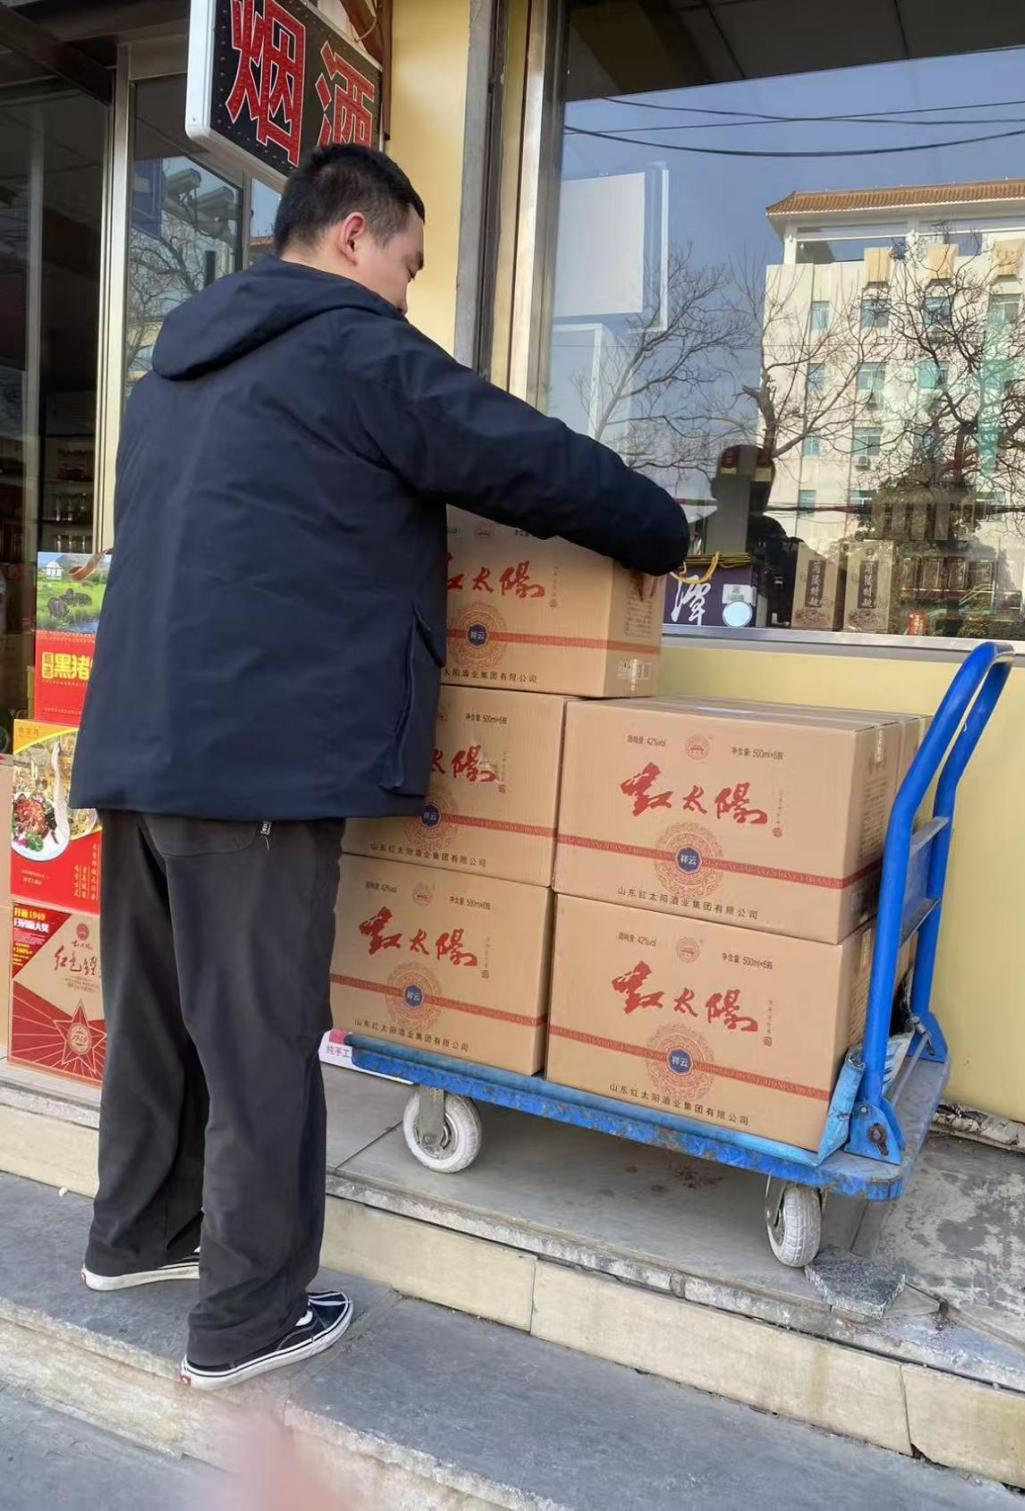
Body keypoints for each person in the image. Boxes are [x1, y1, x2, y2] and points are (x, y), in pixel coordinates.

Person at [70, 144, 689, 1391]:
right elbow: (517, 453)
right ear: (355, 234)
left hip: (138, 742)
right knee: (259, 1041)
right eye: (408, 260)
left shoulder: (172, 373)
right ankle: (245, 1317)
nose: (408, 288)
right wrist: (661, 526)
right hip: (256, 758)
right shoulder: (351, 346)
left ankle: (137, 1232)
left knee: (158, 1019)